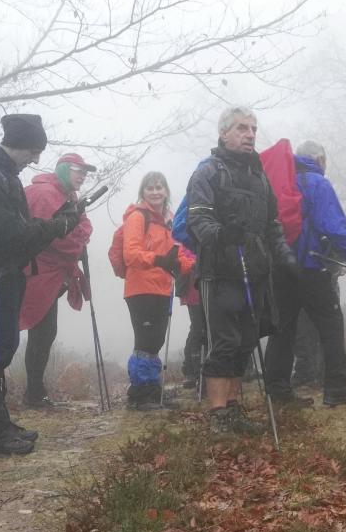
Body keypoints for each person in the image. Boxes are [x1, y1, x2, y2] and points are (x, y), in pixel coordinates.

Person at [0, 114, 81, 455]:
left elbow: (20, 233)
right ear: (19, 144)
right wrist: (57, 226)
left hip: (5, 274)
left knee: (4, 347)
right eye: (33, 150)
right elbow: (11, 236)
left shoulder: (2, 176)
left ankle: (1, 425)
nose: (37, 159)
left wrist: (56, 226)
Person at [185, 106, 298, 434]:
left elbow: (272, 224)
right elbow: (198, 219)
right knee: (224, 342)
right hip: (219, 273)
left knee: (246, 342)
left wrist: (285, 258)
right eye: (241, 128)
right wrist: (223, 234)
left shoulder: (259, 176)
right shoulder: (208, 172)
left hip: (256, 272)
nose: (250, 134)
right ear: (224, 133)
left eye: (253, 128)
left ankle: (233, 410)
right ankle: (218, 417)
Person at [264, 139, 346, 407]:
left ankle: (277, 392)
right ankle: (336, 388)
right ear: (320, 159)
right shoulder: (317, 183)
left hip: (281, 268)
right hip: (312, 268)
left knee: (283, 330)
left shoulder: (280, 182)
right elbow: (332, 227)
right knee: (331, 326)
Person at [18, 153, 96, 408]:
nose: (83, 175)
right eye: (78, 170)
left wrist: (78, 234)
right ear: (63, 169)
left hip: (50, 274)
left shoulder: (66, 196)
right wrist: (78, 237)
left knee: (44, 332)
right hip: (38, 273)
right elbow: (60, 239)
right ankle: (33, 394)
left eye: (85, 171)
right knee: (41, 331)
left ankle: (35, 392)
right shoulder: (45, 194)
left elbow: (83, 227)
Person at [122, 171, 195, 410]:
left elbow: (180, 254)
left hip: (163, 287)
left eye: (159, 187)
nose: (155, 192)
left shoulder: (170, 219)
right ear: (143, 192)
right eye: (150, 188)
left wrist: (191, 264)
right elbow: (130, 254)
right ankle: (140, 394)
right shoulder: (137, 217)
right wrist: (159, 260)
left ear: (166, 191)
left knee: (155, 340)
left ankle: (151, 390)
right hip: (141, 287)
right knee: (146, 341)